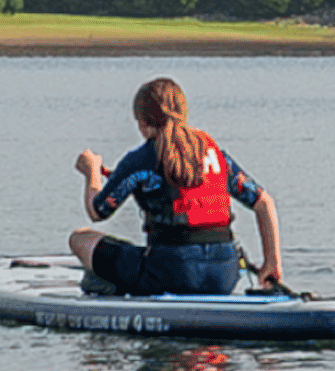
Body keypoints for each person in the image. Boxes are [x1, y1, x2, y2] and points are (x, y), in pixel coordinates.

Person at [70, 76, 285, 298]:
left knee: (79, 238)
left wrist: (92, 172)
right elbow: (264, 203)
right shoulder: (213, 154)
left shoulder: (140, 159)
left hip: (172, 274)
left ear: (143, 124)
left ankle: (111, 285)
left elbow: (97, 211)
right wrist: (272, 263)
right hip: (224, 277)